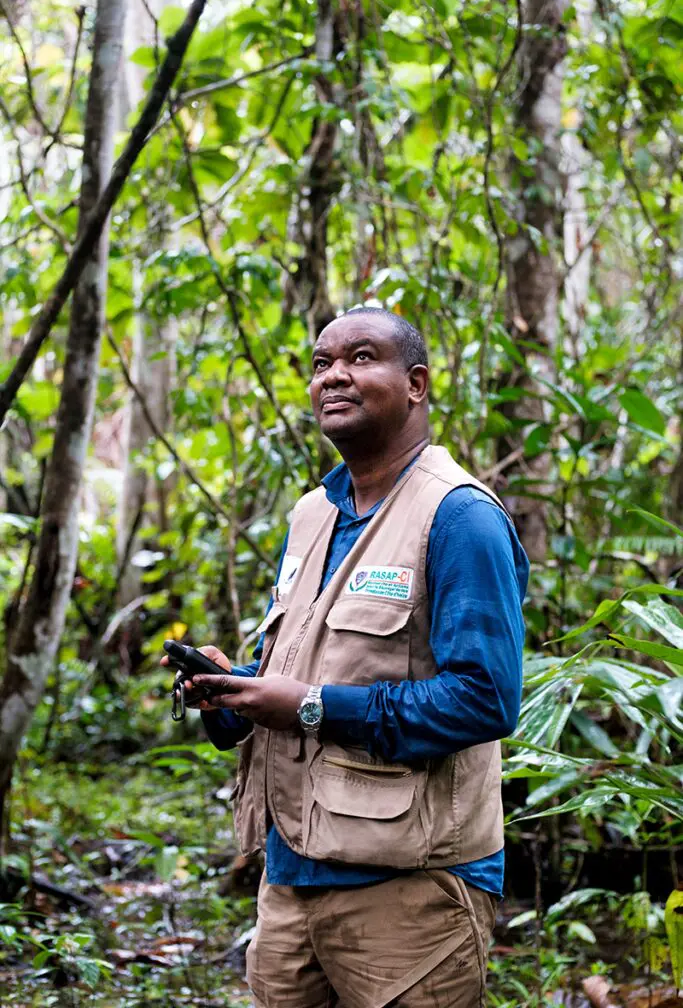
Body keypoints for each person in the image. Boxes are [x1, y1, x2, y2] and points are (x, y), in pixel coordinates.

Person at [164, 307, 529, 1008]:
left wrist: (305, 706)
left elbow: (486, 700)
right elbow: (310, 675)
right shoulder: (312, 514)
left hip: (410, 895)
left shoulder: (459, 517)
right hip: (289, 885)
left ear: (416, 384)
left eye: (361, 358)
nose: (334, 376)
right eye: (320, 362)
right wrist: (232, 688)